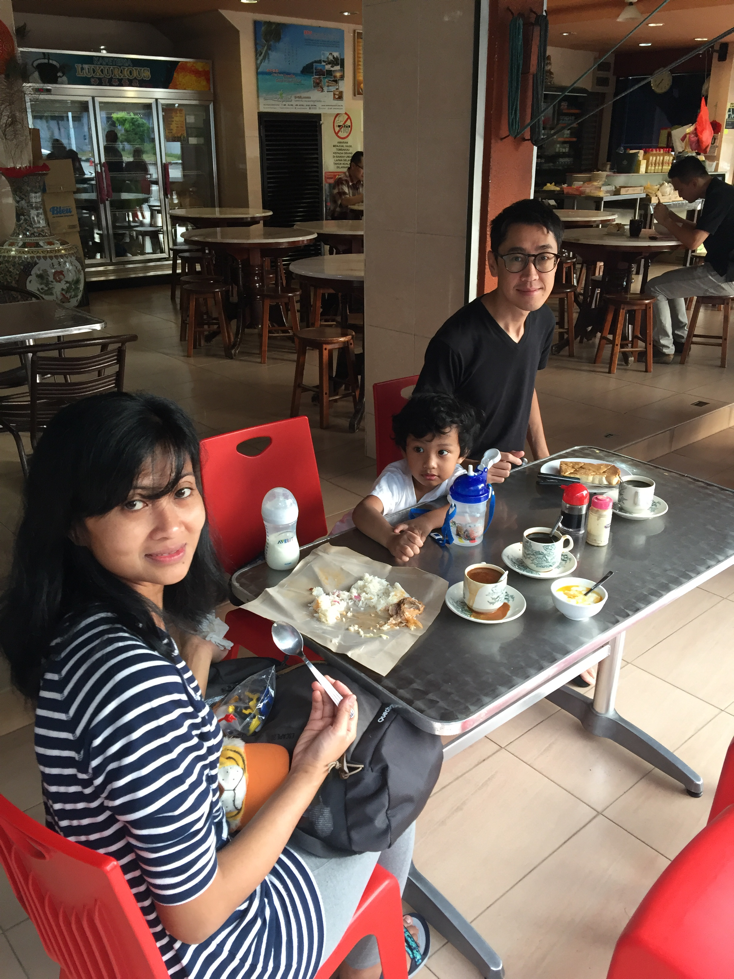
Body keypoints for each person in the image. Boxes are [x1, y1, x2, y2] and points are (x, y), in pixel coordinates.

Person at [0, 392, 426, 979]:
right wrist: (311, 769)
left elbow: (159, 765)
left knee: (347, 780)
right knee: (390, 788)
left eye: (181, 491)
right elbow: (195, 917)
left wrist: (194, 659)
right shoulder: (132, 685)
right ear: (74, 523)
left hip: (121, 922)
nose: (171, 524)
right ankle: (370, 959)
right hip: (224, 951)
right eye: (132, 502)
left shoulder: (74, 627)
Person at [414, 198, 560, 483]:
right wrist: (477, 466)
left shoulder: (543, 320)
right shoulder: (456, 341)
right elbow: (421, 438)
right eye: (516, 258)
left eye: (543, 257)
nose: (531, 274)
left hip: (512, 476)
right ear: (493, 264)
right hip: (459, 483)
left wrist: (544, 460)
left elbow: (525, 386)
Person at [351, 394, 479, 564]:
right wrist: (390, 539)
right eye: (419, 449)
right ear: (404, 450)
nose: (430, 463)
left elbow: (470, 506)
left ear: (462, 455)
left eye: (442, 452)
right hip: (354, 548)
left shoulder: (457, 477)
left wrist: (427, 521)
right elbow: (363, 511)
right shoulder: (396, 478)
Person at [647, 155, 734, 363]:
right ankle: (680, 340)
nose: (679, 194)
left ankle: (664, 349)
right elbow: (702, 229)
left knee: (655, 288)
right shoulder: (720, 191)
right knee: (669, 283)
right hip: (725, 268)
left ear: (694, 183)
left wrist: (666, 222)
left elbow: (694, 242)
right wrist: (673, 218)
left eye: (680, 189)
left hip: (725, 273)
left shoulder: (719, 197)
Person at [330, 151, 364, 219]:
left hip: (358, 219)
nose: (365, 172)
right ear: (353, 166)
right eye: (363, 168)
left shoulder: (363, 181)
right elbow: (344, 201)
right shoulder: (341, 180)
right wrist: (365, 196)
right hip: (341, 220)